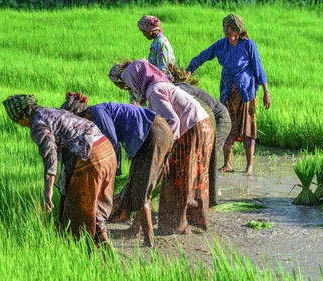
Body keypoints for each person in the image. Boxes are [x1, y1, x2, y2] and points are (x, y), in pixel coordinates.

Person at [109, 59, 214, 235]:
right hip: (200, 126)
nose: (130, 89)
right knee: (190, 177)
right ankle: (184, 223)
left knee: (177, 177)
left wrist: (164, 151)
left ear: (137, 79)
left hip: (190, 129)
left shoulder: (154, 90)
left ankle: (177, 225)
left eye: (130, 84)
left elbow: (171, 121)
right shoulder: (159, 85)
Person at [61, 92, 173, 247]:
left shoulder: (96, 113)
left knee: (140, 190)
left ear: (81, 114)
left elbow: (112, 144)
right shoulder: (96, 113)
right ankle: (136, 230)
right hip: (154, 132)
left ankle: (149, 240)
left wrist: (112, 173)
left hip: (154, 133)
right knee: (138, 185)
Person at [2, 94, 117, 244]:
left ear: (24, 114)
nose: (20, 124)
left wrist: (48, 191)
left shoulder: (37, 124)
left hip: (89, 155)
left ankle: (85, 257)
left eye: (17, 120)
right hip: (106, 149)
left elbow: (50, 155)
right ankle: (108, 253)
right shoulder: (51, 111)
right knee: (94, 209)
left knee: (77, 212)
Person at [186, 14, 271, 176]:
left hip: (246, 94)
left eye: (229, 27)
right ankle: (227, 164)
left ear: (237, 29)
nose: (225, 30)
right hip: (227, 93)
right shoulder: (221, 45)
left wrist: (266, 92)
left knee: (248, 129)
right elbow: (203, 56)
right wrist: (189, 70)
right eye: (224, 26)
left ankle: (249, 166)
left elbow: (258, 68)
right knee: (226, 125)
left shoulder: (248, 45)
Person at [168, 64, 232, 207]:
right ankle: (203, 192)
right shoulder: (177, 89)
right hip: (211, 119)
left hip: (220, 119)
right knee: (204, 156)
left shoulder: (179, 89)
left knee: (210, 156)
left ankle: (212, 195)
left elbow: (202, 113)